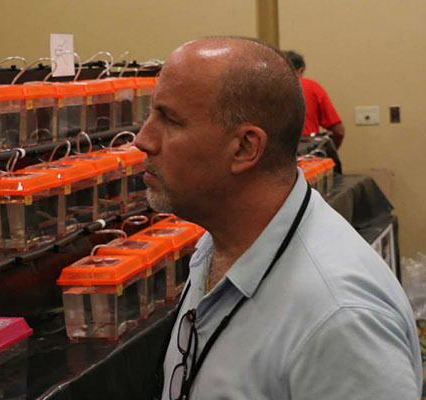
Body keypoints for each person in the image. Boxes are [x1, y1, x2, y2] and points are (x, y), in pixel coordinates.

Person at [134, 37, 421, 400]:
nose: (143, 139)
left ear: (245, 147)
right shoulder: (222, 239)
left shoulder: (339, 319)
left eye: (170, 120)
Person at [284, 50, 345, 148]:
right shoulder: (312, 87)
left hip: (276, 152)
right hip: (307, 150)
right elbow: (339, 132)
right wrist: (327, 152)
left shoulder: (267, 87)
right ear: (301, 70)